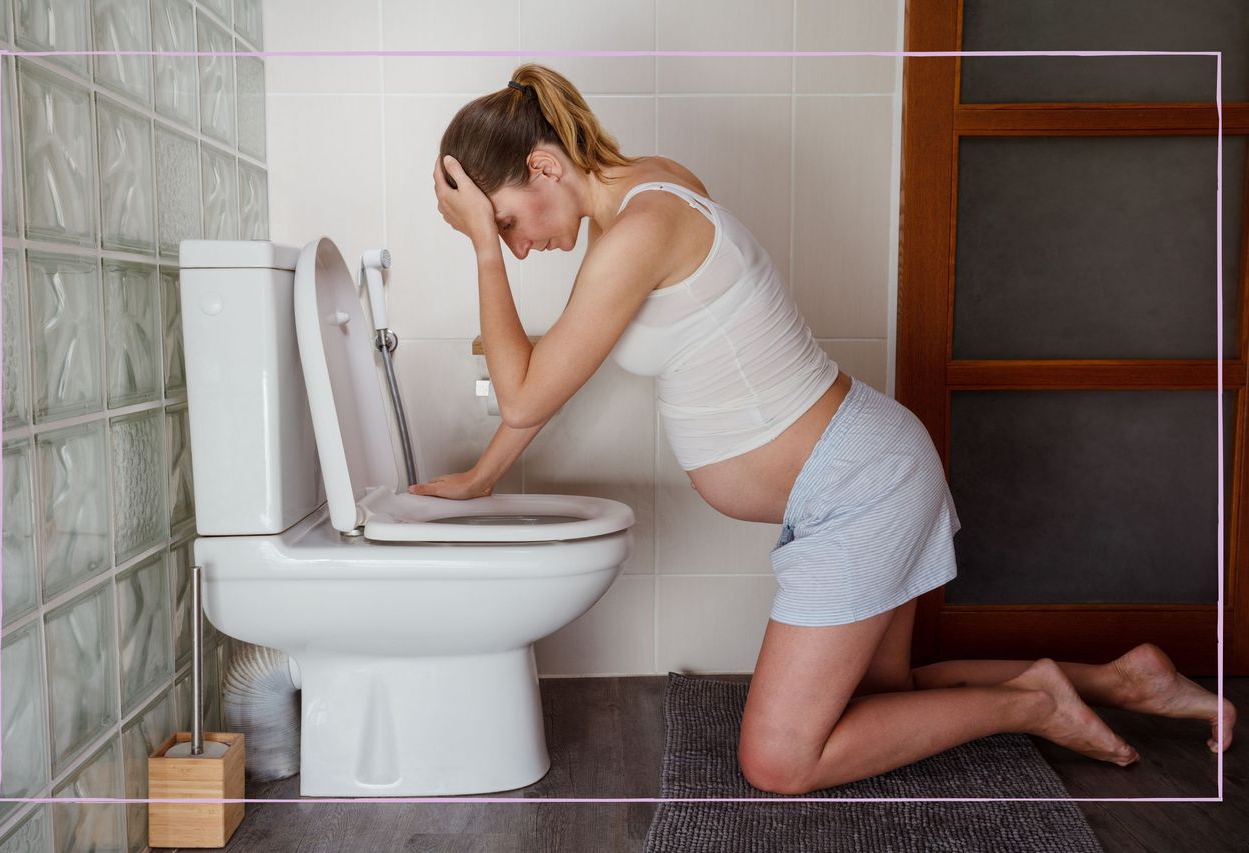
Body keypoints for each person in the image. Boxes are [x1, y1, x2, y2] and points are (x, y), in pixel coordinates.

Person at [412, 63, 1236, 794]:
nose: (518, 249)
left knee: (779, 761)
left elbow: (522, 394)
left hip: (860, 487)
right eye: (504, 238)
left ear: (543, 166)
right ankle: (1123, 680)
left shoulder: (640, 232)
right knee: (883, 701)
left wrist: (479, 251)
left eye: (510, 223)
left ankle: (1031, 704)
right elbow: (549, 376)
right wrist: (483, 477)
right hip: (863, 470)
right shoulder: (639, 200)